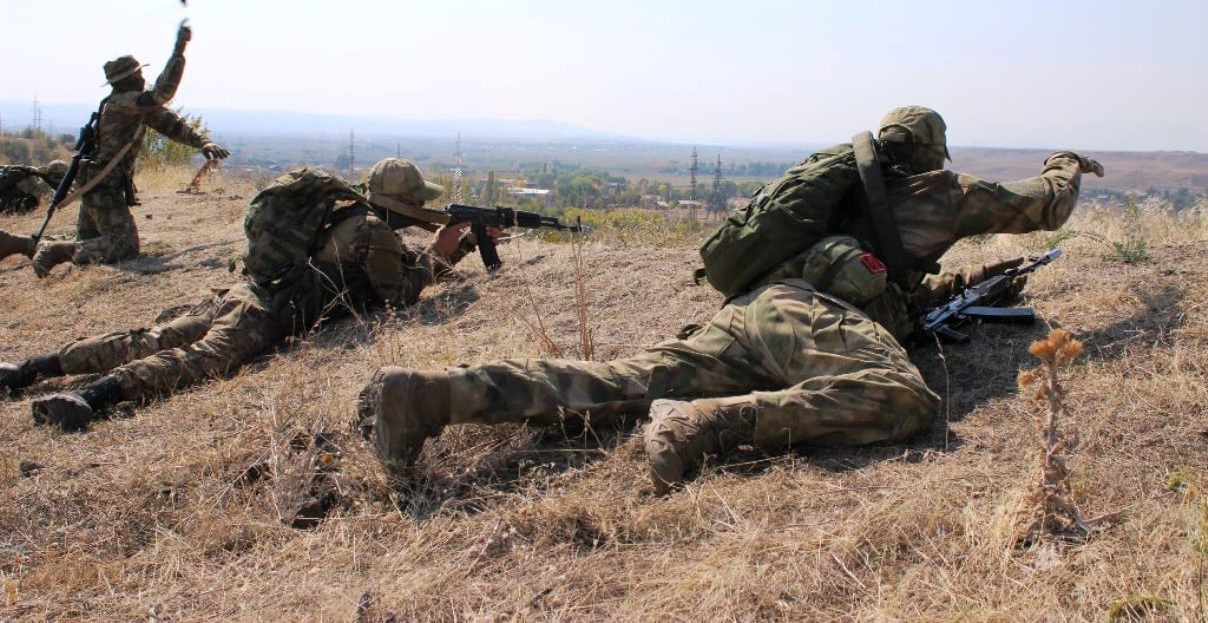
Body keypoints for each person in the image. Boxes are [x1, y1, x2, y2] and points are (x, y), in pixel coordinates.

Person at [356, 106, 1105, 493]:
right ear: (932, 155)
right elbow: (1047, 203)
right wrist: (1065, 162)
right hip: (810, 321)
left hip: (752, 311)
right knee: (901, 398)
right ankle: (709, 427)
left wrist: (972, 284)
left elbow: (890, 288)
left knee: (619, 381)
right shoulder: (936, 196)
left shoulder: (836, 195)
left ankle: (427, 397)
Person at [4, 158, 491, 431]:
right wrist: (442, 250)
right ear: (402, 201)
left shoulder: (342, 213)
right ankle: (93, 397)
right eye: (417, 201)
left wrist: (458, 245)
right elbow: (399, 294)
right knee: (198, 360)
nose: (422, 207)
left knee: (151, 337)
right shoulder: (374, 231)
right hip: (270, 310)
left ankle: (30, 370)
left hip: (247, 287)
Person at [29, 23, 230, 277]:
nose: (143, 77)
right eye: (139, 74)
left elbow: (170, 124)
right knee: (123, 246)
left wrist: (203, 143)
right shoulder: (123, 102)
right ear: (131, 78)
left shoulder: (130, 106)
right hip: (103, 187)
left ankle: (59, 250)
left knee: (95, 246)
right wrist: (179, 49)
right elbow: (161, 94)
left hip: (97, 184)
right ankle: (55, 250)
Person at [0, 160, 68, 215]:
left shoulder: (36, 171)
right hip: (6, 201)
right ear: (54, 175)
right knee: (30, 203)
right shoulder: (39, 181)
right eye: (61, 176)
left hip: (7, 196)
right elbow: (50, 200)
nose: (62, 179)